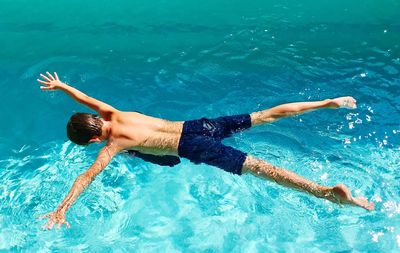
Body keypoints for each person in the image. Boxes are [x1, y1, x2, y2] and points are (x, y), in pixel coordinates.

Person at [36, 71, 374, 230]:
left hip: (191, 146)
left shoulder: (113, 145)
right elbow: (83, 98)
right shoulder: (113, 113)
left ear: (95, 139)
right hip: (195, 126)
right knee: (264, 115)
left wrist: (62, 208)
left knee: (263, 169)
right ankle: (328, 103)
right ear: (96, 118)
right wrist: (62, 85)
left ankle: (326, 192)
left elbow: (87, 176)